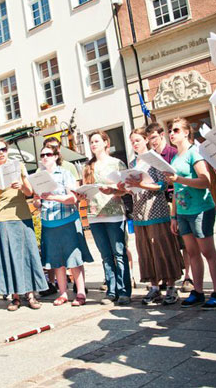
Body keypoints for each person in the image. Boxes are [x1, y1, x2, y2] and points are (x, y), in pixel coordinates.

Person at [162, 118, 216, 310]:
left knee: (208, 251)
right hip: (183, 211)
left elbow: (206, 181)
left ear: (186, 132)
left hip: (200, 209)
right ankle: (198, 291)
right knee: (192, 252)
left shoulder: (194, 153)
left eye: (175, 130)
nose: (171, 134)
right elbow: (176, 189)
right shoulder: (174, 158)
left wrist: (179, 178)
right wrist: (174, 216)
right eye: (170, 130)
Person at [121, 129, 183, 306]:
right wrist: (126, 187)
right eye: (132, 141)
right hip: (139, 211)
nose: (135, 144)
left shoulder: (154, 159)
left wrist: (142, 184)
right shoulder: (133, 163)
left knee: (162, 248)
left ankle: (171, 287)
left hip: (156, 209)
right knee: (145, 250)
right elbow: (132, 186)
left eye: (138, 140)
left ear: (146, 141)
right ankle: (154, 287)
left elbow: (163, 185)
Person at [0, 138, 48, 311]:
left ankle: (30, 295)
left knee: (26, 255)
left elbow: (29, 192)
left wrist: (21, 186)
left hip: (22, 215)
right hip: (3, 217)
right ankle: (15, 297)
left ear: (7, 150)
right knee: (9, 257)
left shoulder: (18, 166)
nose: (0, 153)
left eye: (3, 150)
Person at [33, 145, 93, 307]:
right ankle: (63, 293)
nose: (45, 157)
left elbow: (73, 199)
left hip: (67, 220)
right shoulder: (38, 176)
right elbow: (37, 203)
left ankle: (80, 292)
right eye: (42, 154)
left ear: (55, 156)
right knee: (56, 260)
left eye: (48, 154)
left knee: (74, 258)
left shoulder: (65, 173)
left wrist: (52, 197)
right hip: (48, 222)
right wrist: (38, 200)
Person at [77, 131, 132, 305]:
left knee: (119, 253)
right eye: (91, 142)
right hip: (94, 215)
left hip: (114, 213)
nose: (93, 145)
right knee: (106, 256)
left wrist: (114, 190)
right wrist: (81, 195)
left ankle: (124, 291)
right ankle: (111, 290)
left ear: (105, 143)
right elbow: (85, 189)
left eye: (96, 141)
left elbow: (127, 188)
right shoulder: (88, 166)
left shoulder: (117, 164)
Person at [146, 122, 193, 292]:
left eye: (154, 138)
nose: (153, 142)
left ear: (161, 135)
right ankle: (169, 275)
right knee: (167, 242)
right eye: (149, 139)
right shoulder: (150, 156)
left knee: (184, 242)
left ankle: (188, 276)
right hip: (160, 203)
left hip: (177, 198)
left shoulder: (173, 153)